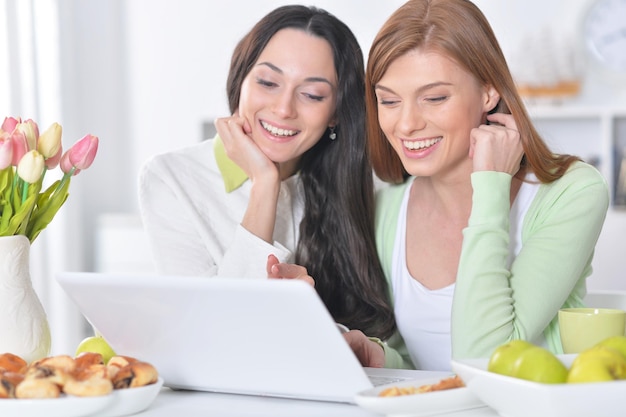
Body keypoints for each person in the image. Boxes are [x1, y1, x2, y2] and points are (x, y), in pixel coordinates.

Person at [343, 0, 610, 371]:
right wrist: (379, 356)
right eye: (389, 100)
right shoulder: (387, 210)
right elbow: (418, 363)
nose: (405, 125)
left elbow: (483, 358)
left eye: (434, 98)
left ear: (488, 92)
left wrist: (491, 187)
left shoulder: (572, 193)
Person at [138, 5, 396, 341]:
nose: (284, 108)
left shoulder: (359, 185)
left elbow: (374, 331)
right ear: (240, 80)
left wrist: (315, 321)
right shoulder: (170, 178)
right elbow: (208, 330)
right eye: (268, 82)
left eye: (312, 94)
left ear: (335, 113)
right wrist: (265, 184)